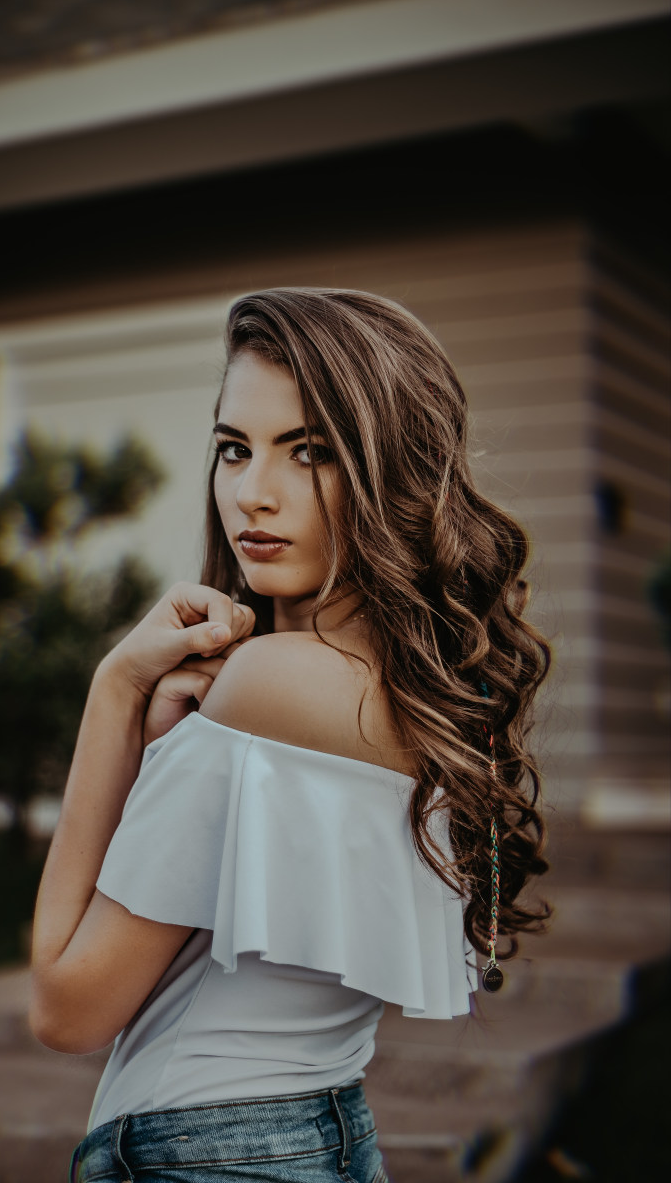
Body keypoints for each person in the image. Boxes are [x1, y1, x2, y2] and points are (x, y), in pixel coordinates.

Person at [30, 288, 551, 1182]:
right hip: (319, 1138)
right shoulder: (421, 694)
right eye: (234, 448)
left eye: (309, 452)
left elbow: (67, 1007)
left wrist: (113, 689)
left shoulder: (270, 682)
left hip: (210, 1155)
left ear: (396, 472)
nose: (252, 494)